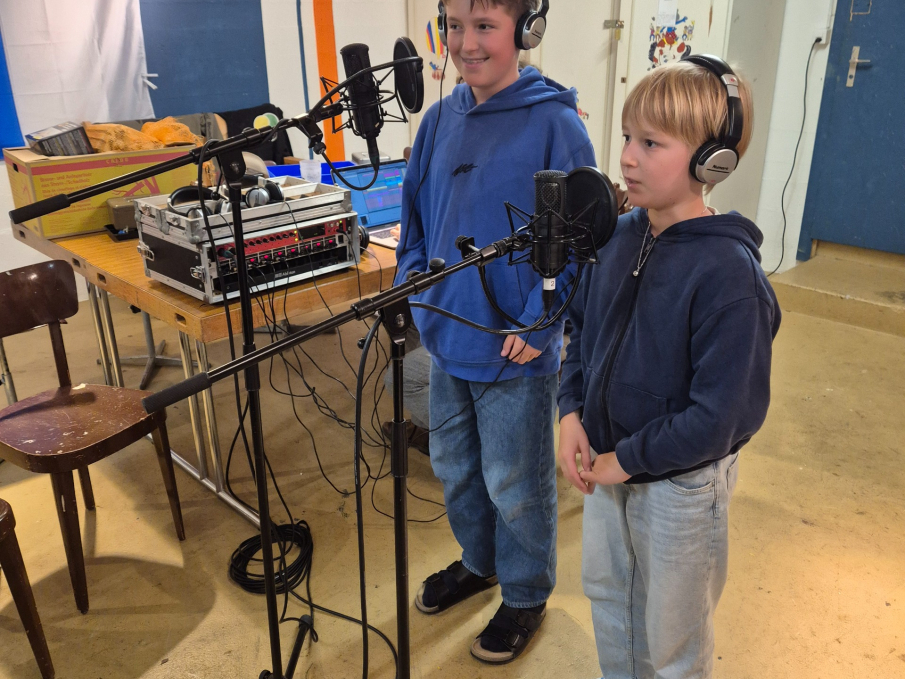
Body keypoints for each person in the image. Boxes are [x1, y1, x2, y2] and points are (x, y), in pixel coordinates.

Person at [557, 56, 781, 678]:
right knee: (612, 604)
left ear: (713, 162)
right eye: (627, 136)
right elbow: (581, 328)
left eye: (650, 143)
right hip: (609, 464)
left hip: (681, 488)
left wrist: (627, 459)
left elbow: (718, 419)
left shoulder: (729, 276)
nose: (627, 157)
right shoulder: (616, 237)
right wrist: (571, 411)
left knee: (674, 638)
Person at [394, 0, 595, 664]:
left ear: (525, 30)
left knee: (515, 481)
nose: (466, 43)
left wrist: (544, 320)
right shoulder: (437, 121)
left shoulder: (555, 123)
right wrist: (419, 289)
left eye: (484, 26)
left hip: (517, 348)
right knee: (455, 468)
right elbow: (415, 220)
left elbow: (583, 238)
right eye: (454, 26)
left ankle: (526, 592)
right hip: (448, 337)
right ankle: (479, 562)